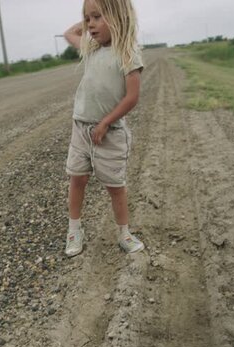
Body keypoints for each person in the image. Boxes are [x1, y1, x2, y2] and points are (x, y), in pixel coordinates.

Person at [62, 0, 144, 257]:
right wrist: (90, 20)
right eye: (88, 19)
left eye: (97, 17)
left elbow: (132, 98)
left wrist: (106, 122)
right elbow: (69, 34)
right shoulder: (91, 49)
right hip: (81, 129)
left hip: (109, 133)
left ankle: (124, 233)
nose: (90, 24)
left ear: (118, 16)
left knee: (115, 186)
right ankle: (74, 230)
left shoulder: (128, 53)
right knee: (77, 179)